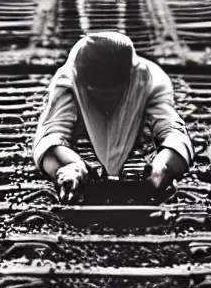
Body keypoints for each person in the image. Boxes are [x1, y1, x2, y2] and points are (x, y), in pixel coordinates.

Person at [32, 31, 193, 203]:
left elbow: (171, 129)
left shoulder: (152, 80)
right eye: (97, 95)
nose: (106, 103)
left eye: (114, 95)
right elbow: (51, 132)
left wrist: (164, 163)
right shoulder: (67, 79)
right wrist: (69, 165)